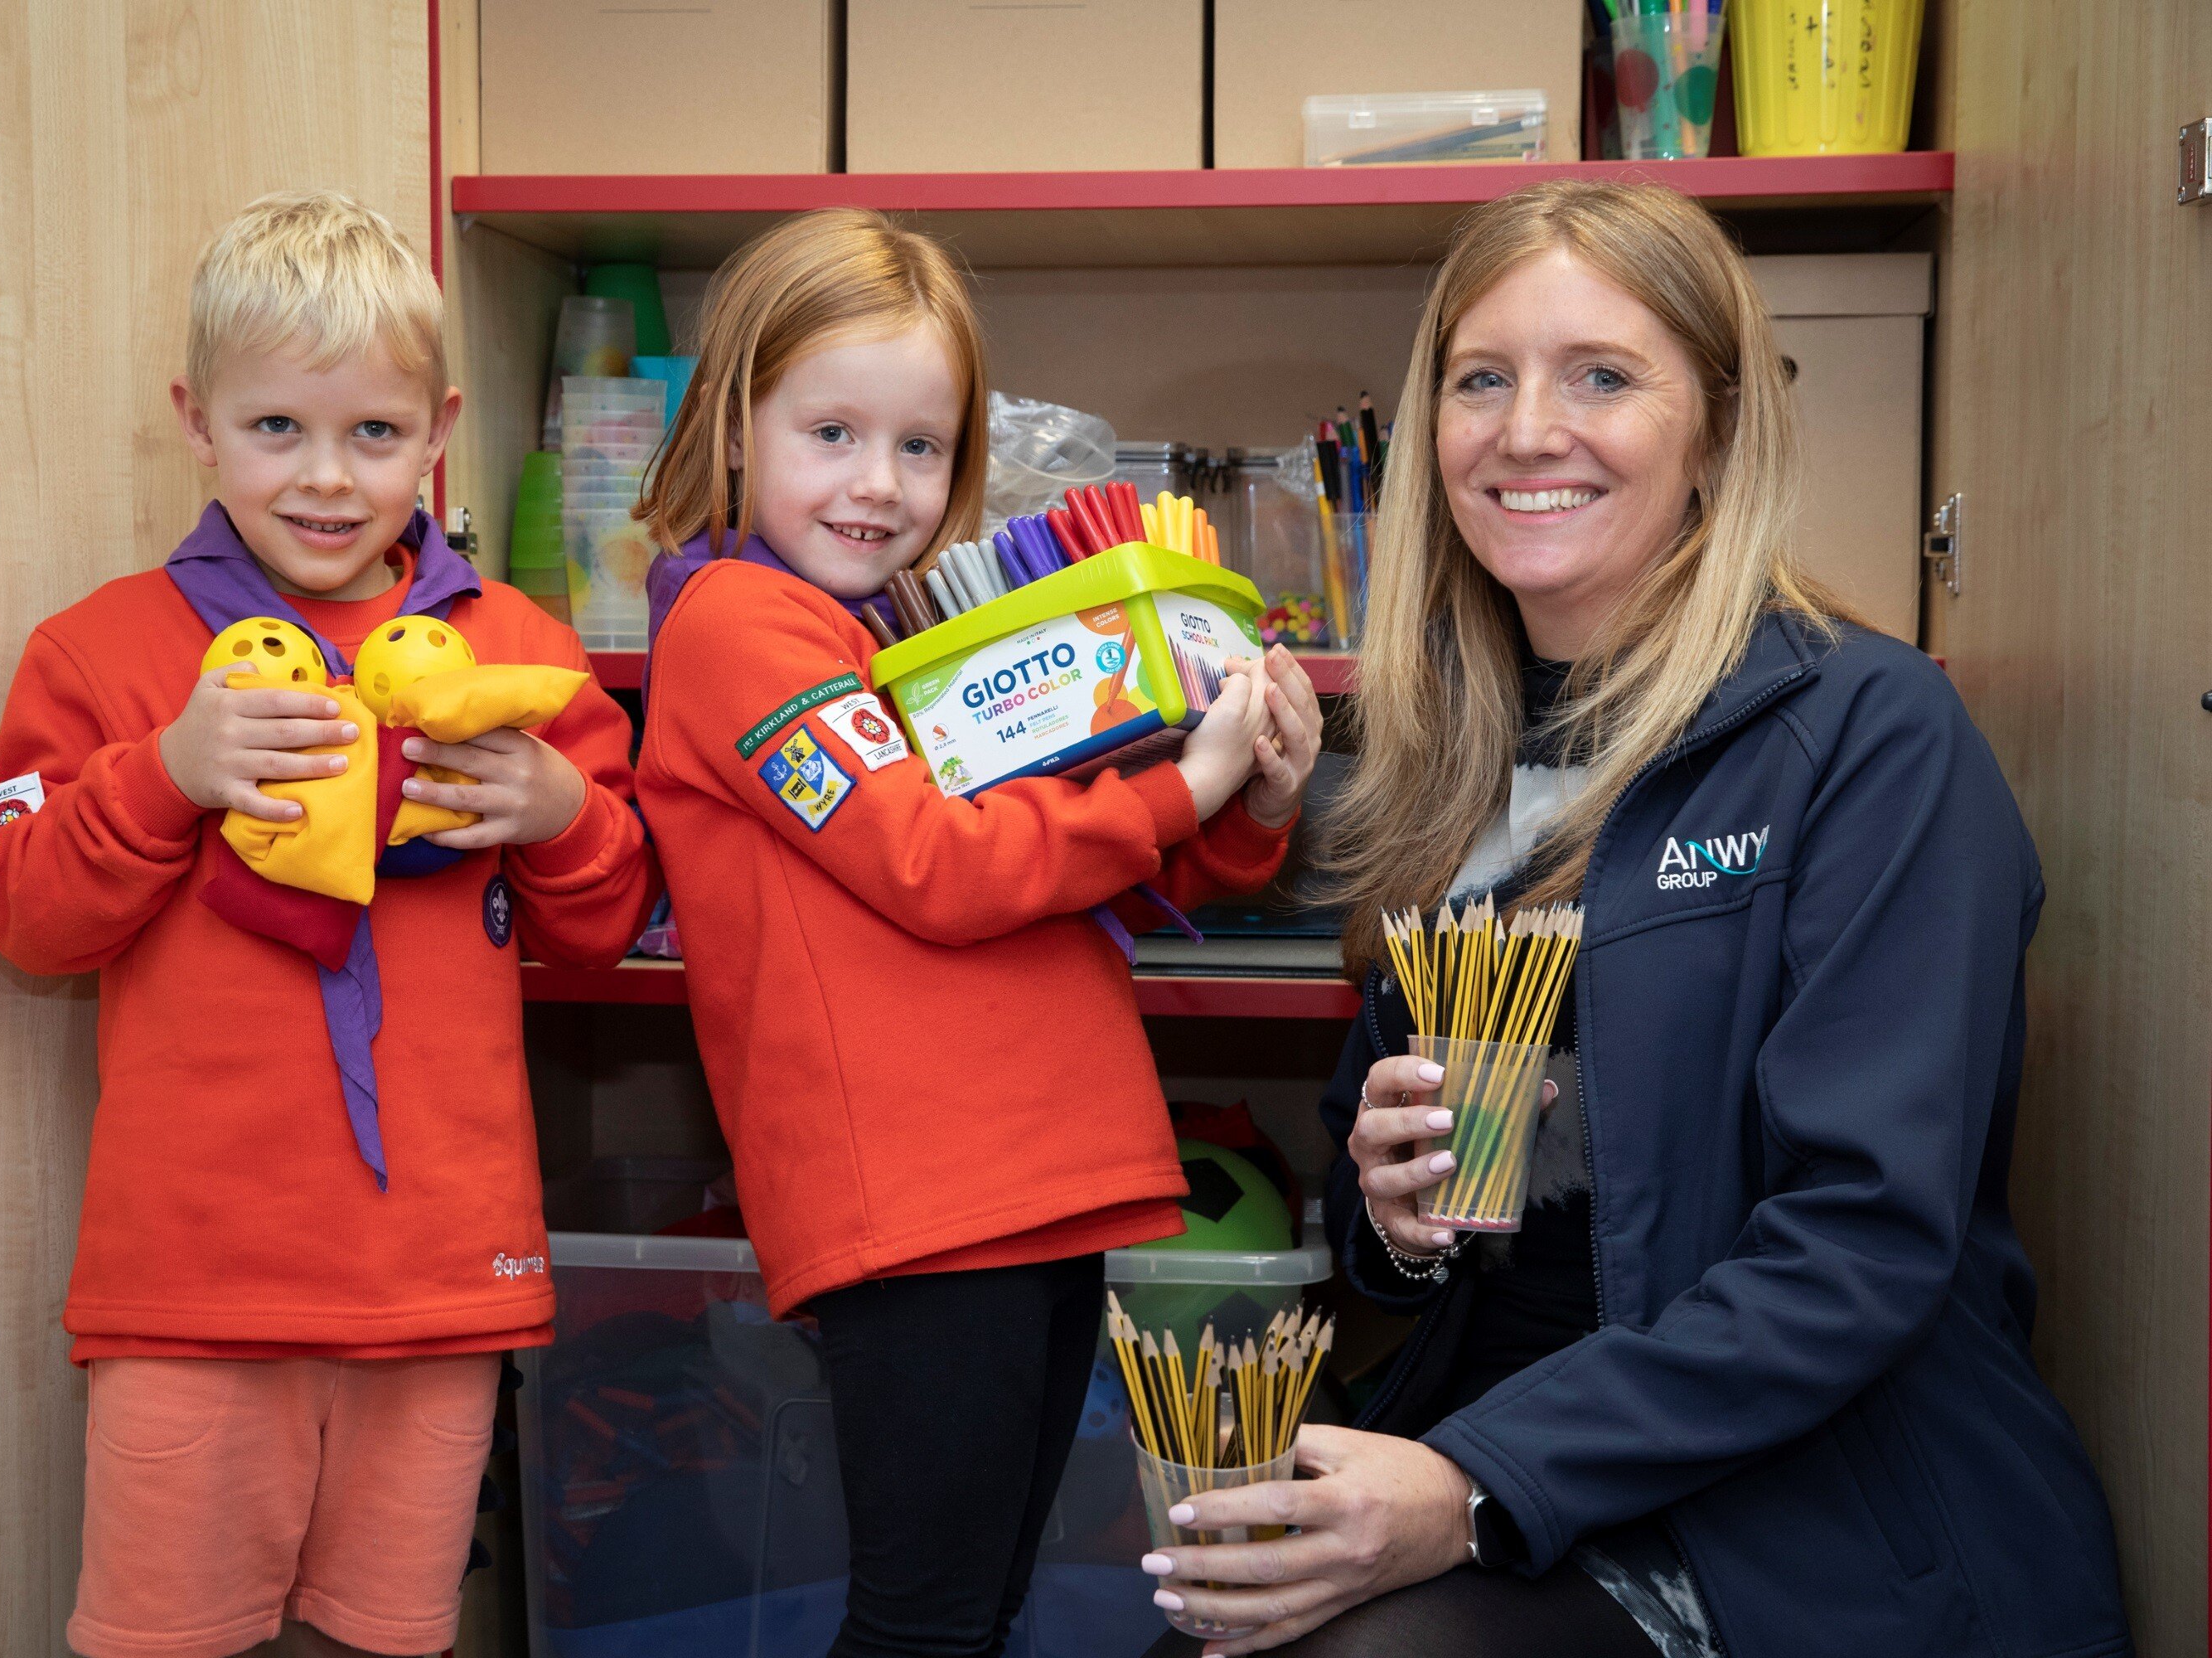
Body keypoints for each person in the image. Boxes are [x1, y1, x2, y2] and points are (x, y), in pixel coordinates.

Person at [1136, 180, 2132, 1658]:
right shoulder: (1454, 761)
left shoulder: (1872, 731)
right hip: (1499, 1449)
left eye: (1603, 375)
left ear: (1715, 434)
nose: (1529, 430)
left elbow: (1861, 1245)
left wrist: (1468, 1486)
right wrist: (1401, 1221)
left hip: (1799, 1516)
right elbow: (1381, 1239)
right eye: (1484, 379)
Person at [0, 190, 657, 1658]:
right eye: (278, 429)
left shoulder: (521, 655)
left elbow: (605, 929)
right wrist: (164, 775)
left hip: (444, 1281)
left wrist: (556, 811)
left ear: (439, 428)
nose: (330, 481)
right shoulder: (99, 653)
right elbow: (24, 916)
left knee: (390, 1637)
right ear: (197, 423)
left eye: (376, 436)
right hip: (190, 1289)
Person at [631, 206, 1324, 1658]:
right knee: (927, 1620)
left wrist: (1248, 798)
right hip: (926, 1210)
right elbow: (940, 867)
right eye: (832, 432)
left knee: (976, 1607)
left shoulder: (905, 637)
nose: (880, 484)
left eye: (922, 446)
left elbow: (1097, 878)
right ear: (735, 426)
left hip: (1030, 1182)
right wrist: (1181, 786)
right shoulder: (739, 627)